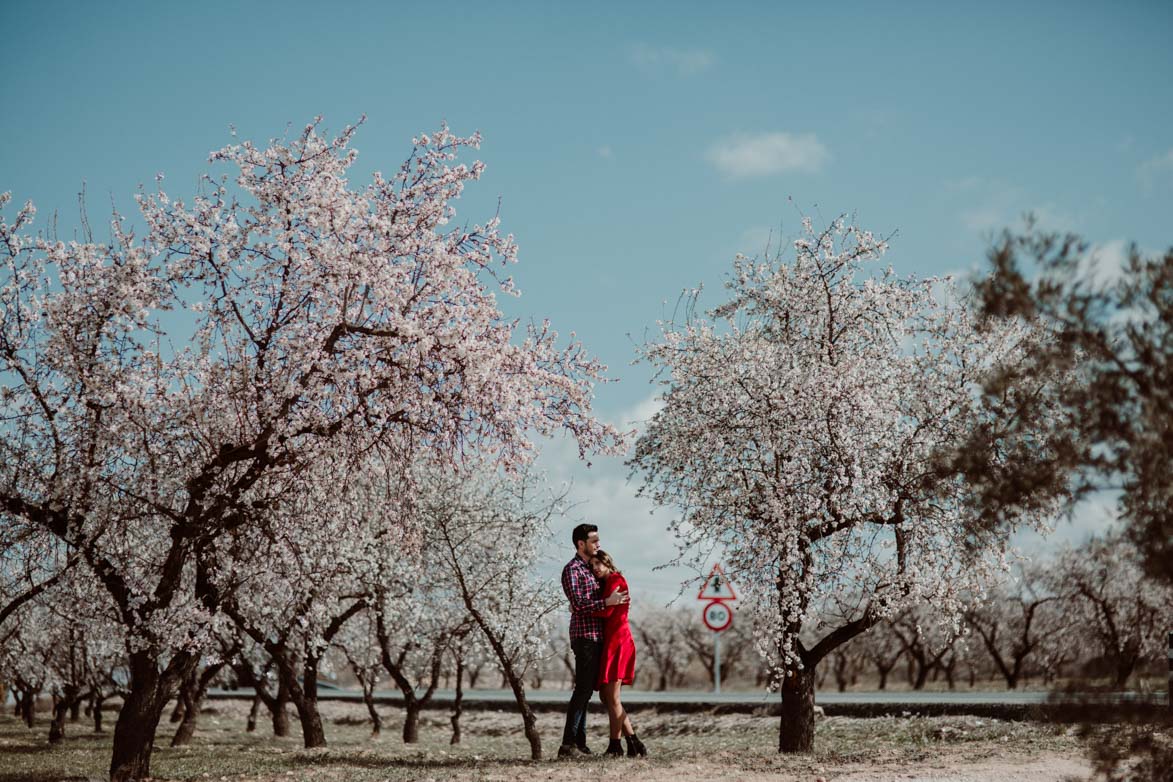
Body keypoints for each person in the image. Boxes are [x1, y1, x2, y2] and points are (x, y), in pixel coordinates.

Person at [558, 523, 628, 758]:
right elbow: (578, 604)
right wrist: (605, 603)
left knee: (588, 692)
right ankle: (568, 745)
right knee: (583, 691)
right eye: (593, 540)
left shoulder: (591, 568)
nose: (598, 544)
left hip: (599, 637)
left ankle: (581, 744)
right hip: (584, 637)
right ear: (581, 544)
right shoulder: (572, 570)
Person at [590, 549, 647, 757]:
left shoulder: (616, 578)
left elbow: (607, 611)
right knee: (607, 697)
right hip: (611, 641)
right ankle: (634, 742)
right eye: (592, 565)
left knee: (612, 698)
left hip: (619, 641)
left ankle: (615, 746)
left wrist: (579, 608)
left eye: (598, 564)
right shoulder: (606, 583)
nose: (595, 568)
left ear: (607, 563)